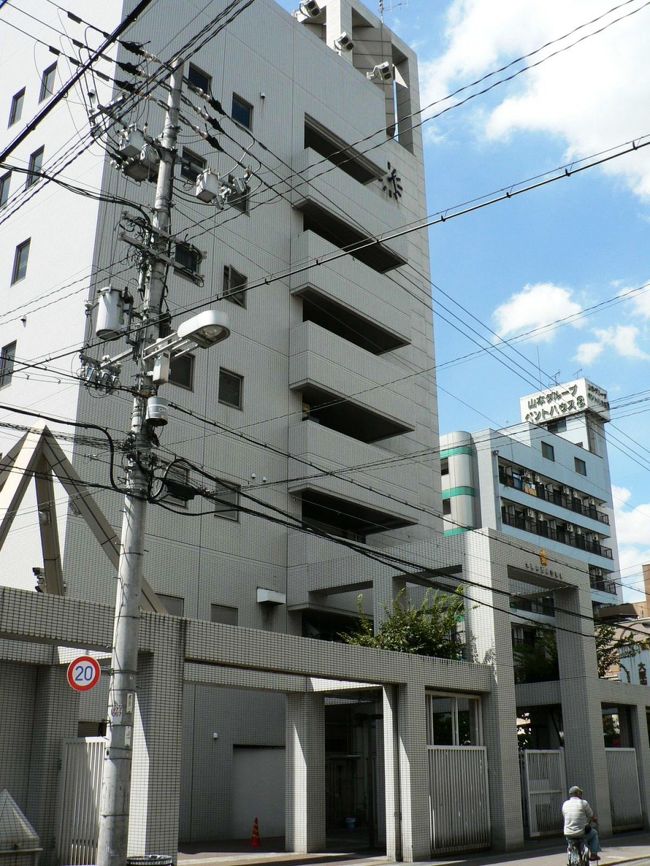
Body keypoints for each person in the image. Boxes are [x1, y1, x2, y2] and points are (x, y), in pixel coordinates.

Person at [562, 785, 602, 861]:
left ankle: (570, 852)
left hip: (568, 834)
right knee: (594, 834)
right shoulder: (583, 803)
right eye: (580, 793)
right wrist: (595, 820)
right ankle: (593, 854)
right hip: (581, 833)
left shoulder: (565, 804)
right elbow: (591, 816)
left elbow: (565, 816)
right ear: (577, 793)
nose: (581, 795)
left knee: (570, 843)